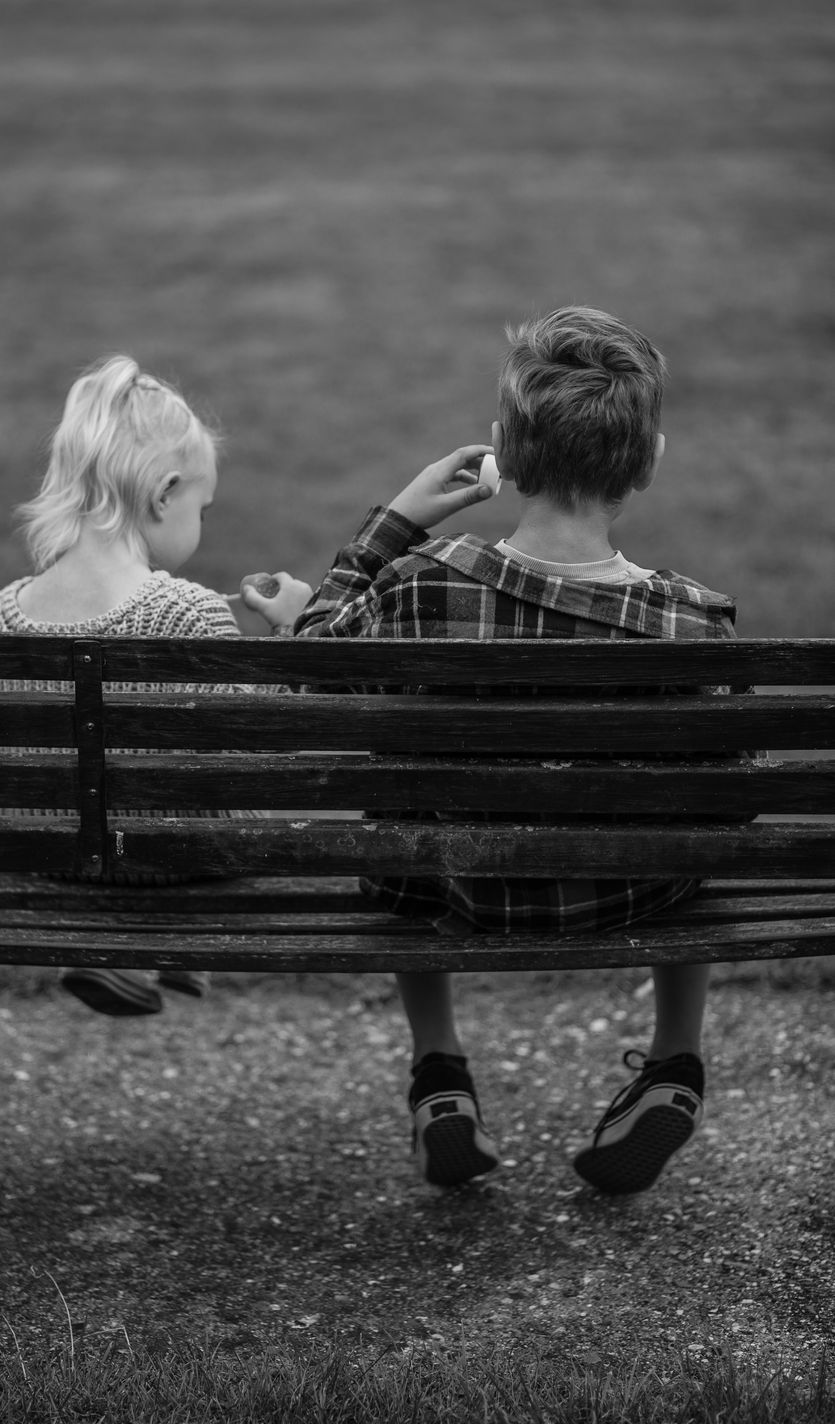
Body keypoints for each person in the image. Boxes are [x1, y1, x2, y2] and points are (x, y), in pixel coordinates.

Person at [290, 306, 741, 1196]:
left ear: (506, 452)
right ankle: (673, 1061)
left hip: (458, 884)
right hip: (632, 890)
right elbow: (732, 805)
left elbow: (311, 661)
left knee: (400, 800)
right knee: (697, 815)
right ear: (646, 460)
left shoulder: (422, 586)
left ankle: (439, 1076)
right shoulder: (693, 621)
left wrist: (393, 524)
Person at [0, 354, 311, 1017]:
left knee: (108, 782)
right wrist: (293, 635)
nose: (201, 523)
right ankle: (173, 934)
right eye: (201, 506)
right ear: (164, 494)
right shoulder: (187, 611)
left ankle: (119, 945)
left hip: (50, 858)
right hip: (179, 861)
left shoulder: (2, 612)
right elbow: (264, 761)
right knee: (221, 794)